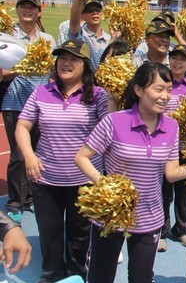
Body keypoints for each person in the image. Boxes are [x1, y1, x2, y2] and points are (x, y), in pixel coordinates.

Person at [74, 63, 186, 283]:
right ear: (139, 90)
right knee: (100, 277)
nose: (165, 96)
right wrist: (105, 186)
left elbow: (170, 173)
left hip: (149, 217)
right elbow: (81, 157)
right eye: (158, 89)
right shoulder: (114, 121)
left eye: (169, 90)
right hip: (111, 216)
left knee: (141, 278)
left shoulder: (172, 127)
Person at [15, 39, 110, 282]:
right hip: (45, 178)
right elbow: (23, 126)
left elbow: (111, 126)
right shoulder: (41, 92)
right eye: (62, 58)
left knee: (80, 234)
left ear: (86, 65)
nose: (66, 63)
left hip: (85, 180)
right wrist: (29, 156)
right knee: (50, 232)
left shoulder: (98, 96)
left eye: (74, 59)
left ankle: (77, 275)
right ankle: (51, 274)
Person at [1, 0, 56, 222]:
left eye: (32, 6)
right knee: (17, 154)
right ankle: (15, 200)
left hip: (41, 104)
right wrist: (20, 69)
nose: (27, 10)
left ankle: (32, 195)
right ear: (17, 9)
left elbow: (54, 72)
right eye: (23, 5)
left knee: (37, 151)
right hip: (14, 102)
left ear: (38, 10)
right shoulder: (5, 37)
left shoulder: (48, 40)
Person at [159, 44, 186, 252]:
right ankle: (161, 231)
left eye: (182, 59)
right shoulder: (162, 82)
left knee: (184, 190)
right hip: (163, 146)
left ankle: (182, 228)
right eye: (174, 57)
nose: (177, 62)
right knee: (163, 191)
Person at [68, 0, 115, 70]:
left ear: (101, 14)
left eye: (98, 10)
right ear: (82, 15)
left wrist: (113, 39)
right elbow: (74, 19)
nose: (95, 12)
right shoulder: (80, 34)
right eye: (90, 10)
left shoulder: (109, 38)